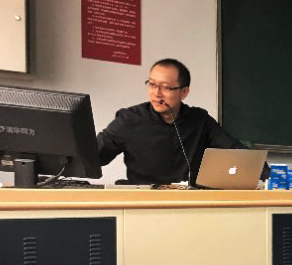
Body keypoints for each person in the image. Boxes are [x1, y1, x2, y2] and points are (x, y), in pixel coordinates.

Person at [97, 58, 267, 185]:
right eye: (152, 84)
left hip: (189, 203)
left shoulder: (200, 120)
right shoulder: (129, 119)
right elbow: (94, 155)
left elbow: (234, 149)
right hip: (143, 203)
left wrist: (269, 176)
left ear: (184, 92)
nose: (156, 93)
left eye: (165, 87)